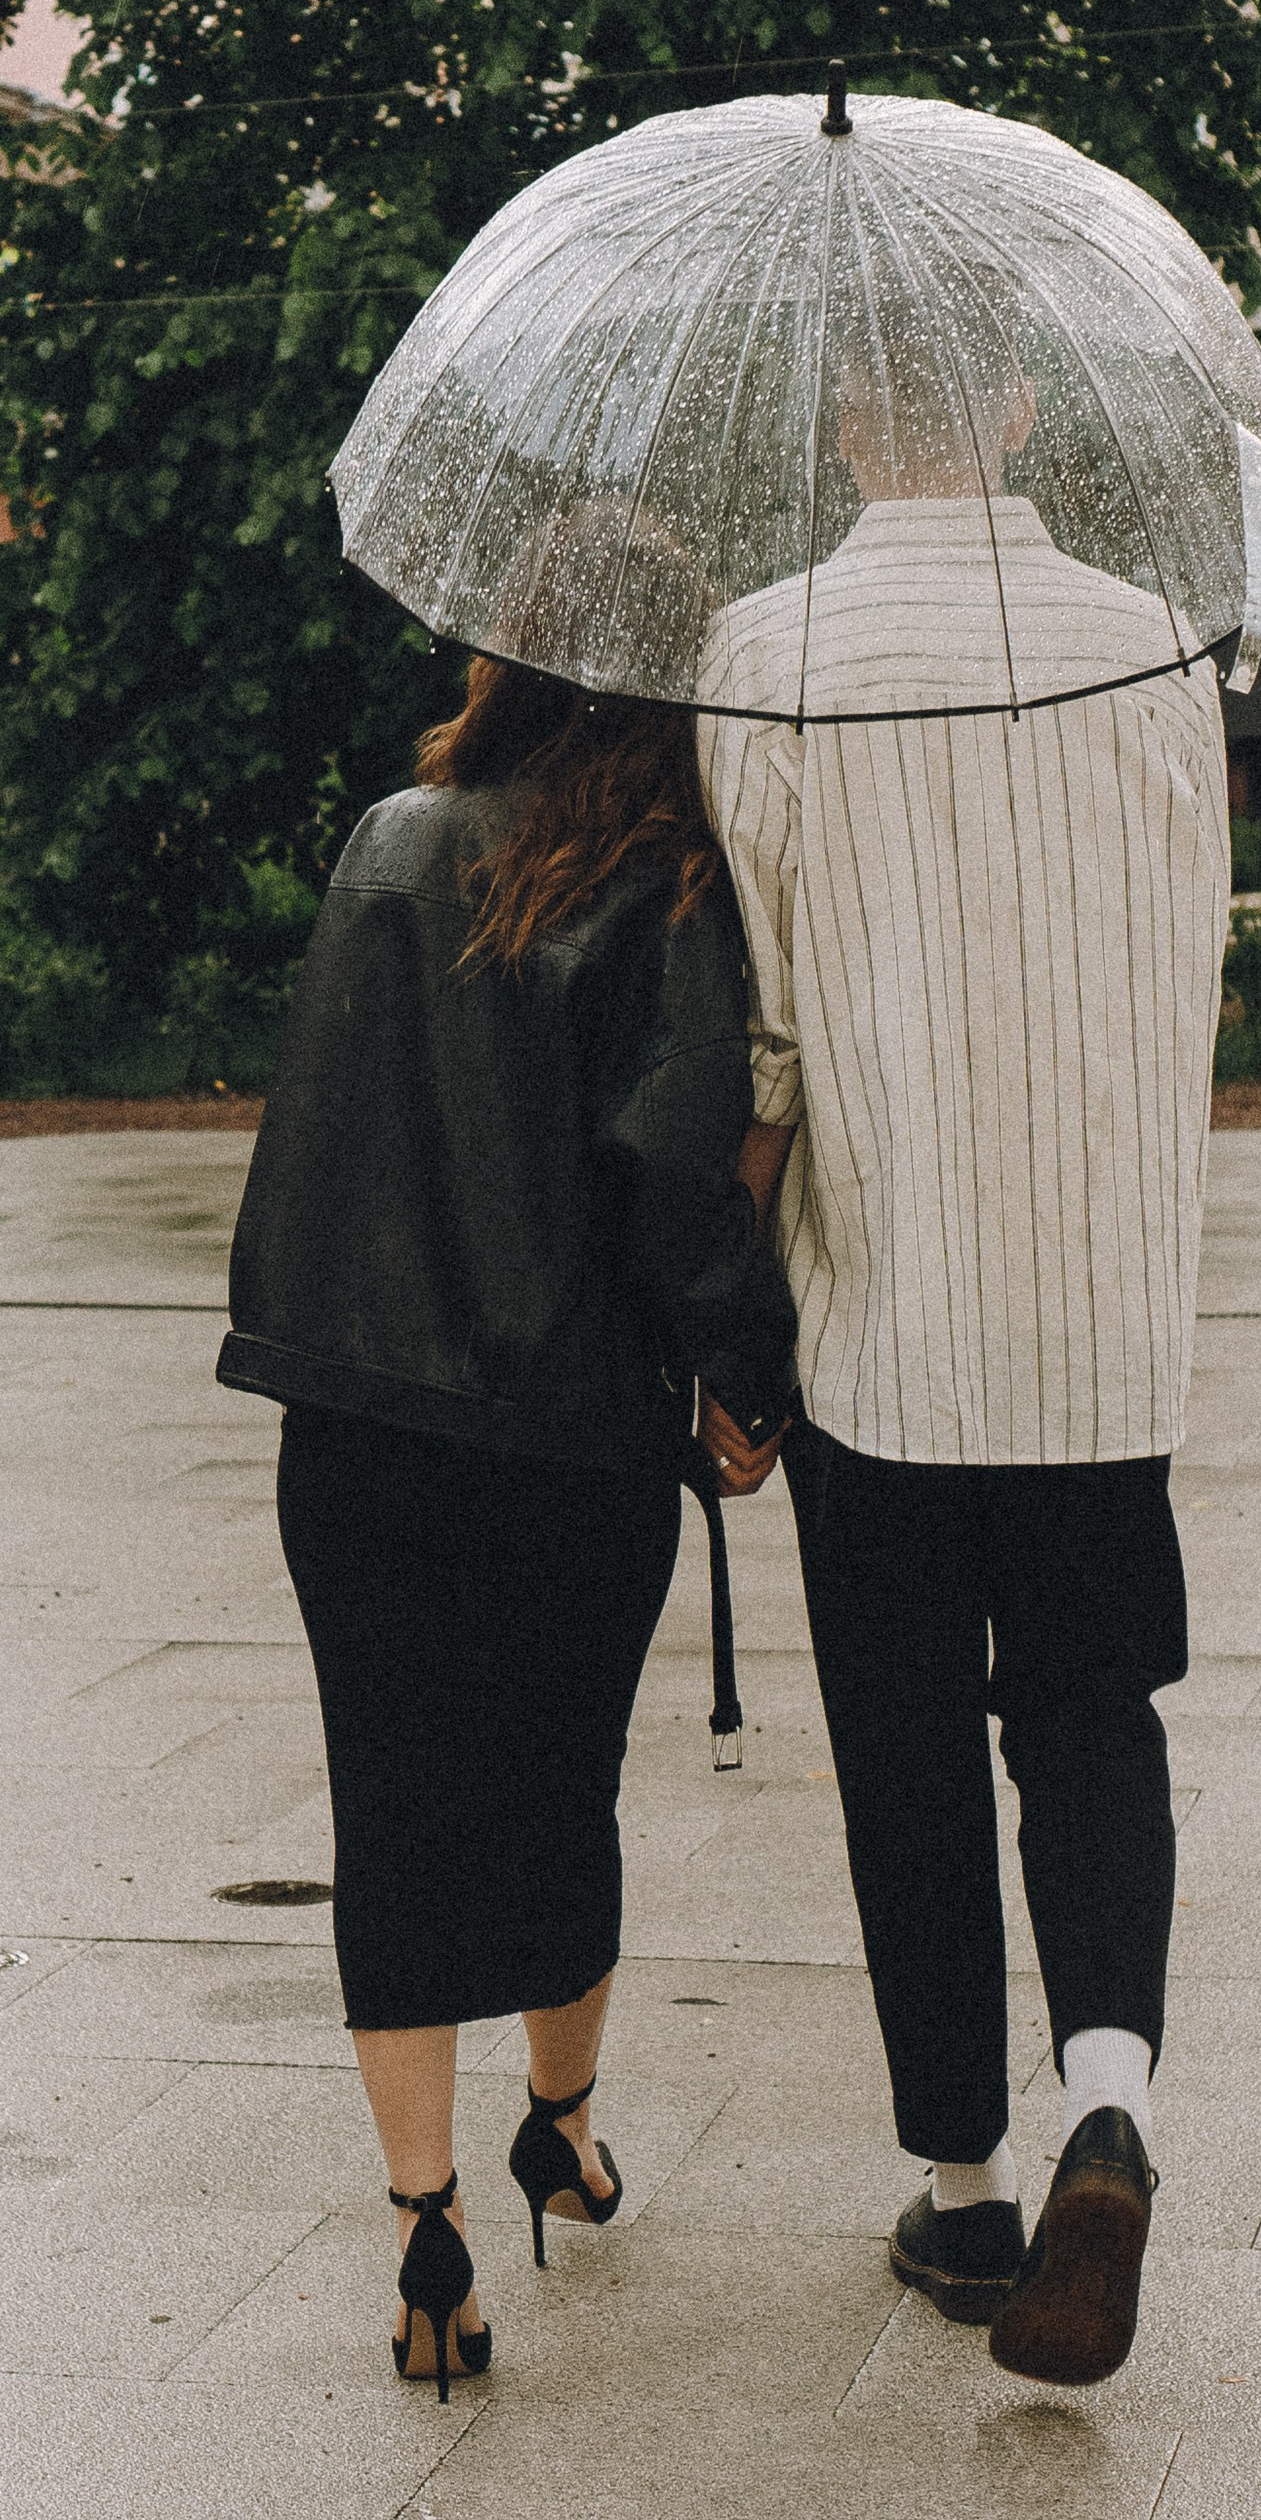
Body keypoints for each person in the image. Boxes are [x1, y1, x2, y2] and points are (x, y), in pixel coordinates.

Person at [696, 329, 1231, 2387]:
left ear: (843, 420)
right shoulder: (1148, 642)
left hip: (879, 1320)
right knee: (1092, 1721)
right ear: (1013, 414)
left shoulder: (766, 650)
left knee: (907, 1755)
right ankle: (1114, 2093)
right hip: (1097, 1317)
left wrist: (723, 1279)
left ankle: (964, 2186)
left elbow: (761, 1013)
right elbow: (1184, 953)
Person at [219, 659, 798, 2395]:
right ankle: (567, 2123)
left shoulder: (385, 847)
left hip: (359, 1417)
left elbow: (328, 1113)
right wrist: (746, 1378)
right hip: (567, 1434)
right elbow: (680, 1176)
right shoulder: (667, 884)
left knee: (390, 1798)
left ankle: (426, 2229)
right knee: (559, 1784)